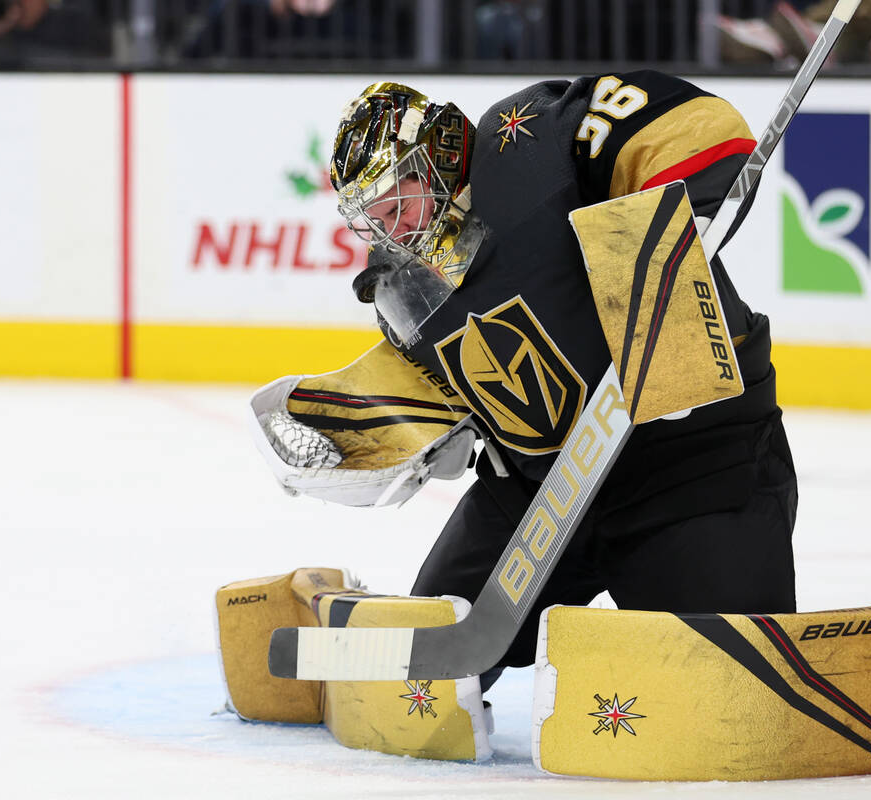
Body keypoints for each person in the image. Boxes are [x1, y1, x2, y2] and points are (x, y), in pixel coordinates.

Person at [324, 72, 798, 690]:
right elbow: (437, 394)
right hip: (538, 497)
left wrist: (659, 238)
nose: (393, 230)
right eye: (374, 217)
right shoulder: (400, 285)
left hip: (691, 470)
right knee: (417, 691)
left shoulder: (526, 139)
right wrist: (378, 441)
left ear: (436, 155)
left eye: (397, 202)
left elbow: (697, 129)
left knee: (732, 695)